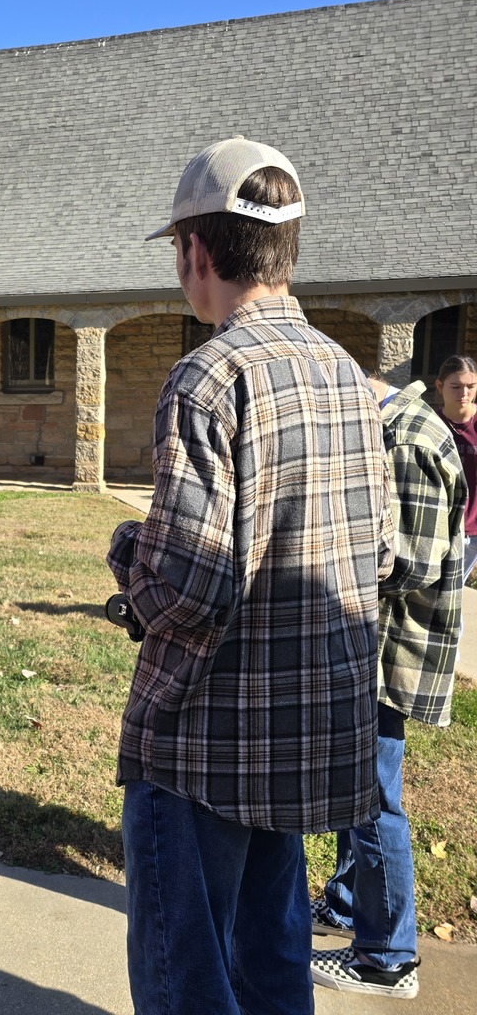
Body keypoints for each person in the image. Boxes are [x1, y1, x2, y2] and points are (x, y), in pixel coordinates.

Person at [106, 136, 394, 1015]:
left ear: (198, 251)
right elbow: (379, 553)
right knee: (274, 966)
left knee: (184, 974)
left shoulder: (207, 377)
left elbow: (186, 588)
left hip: (204, 740)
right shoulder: (349, 375)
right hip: (306, 735)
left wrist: (128, 552)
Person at [310, 375, 465, 999]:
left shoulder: (406, 440)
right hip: (374, 643)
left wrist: (328, 553)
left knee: (374, 797)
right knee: (360, 788)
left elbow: (414, 562)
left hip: (389, 652)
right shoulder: (398, 427)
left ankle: (388, 956)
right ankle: (351, 904)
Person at [434, 355, 477, 580]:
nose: (464, 394)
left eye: (471, 387)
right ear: (439, 386)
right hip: (438, 527)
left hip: (473, 529)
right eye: (456, 386)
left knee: (452, 592)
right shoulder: (430, 423)